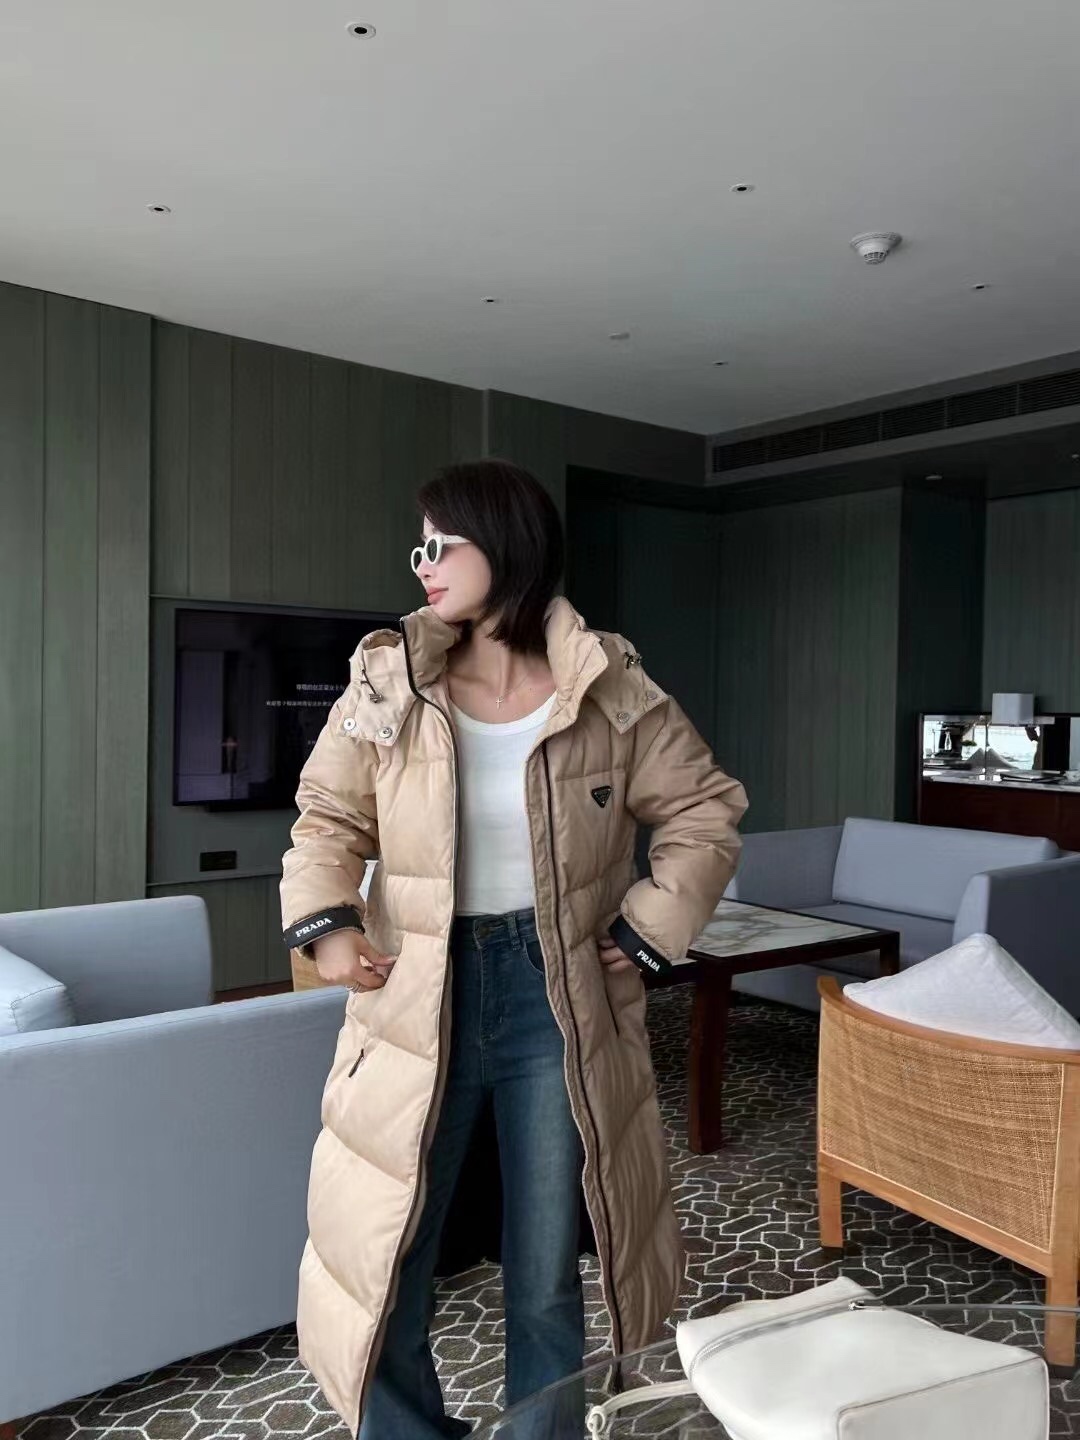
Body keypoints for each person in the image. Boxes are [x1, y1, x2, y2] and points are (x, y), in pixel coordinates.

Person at [280, 459, 747, 1440]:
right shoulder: (389, 678)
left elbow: (705, 810)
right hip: (419, 987)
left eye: (441, 543)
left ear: (508, 542)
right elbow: (326, 816)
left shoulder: (607, 685)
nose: (422, 564)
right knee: (390, 1254)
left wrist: (649, 926)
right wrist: (327, 922)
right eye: (418, 546)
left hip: (555, 993)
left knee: (544, 1268)